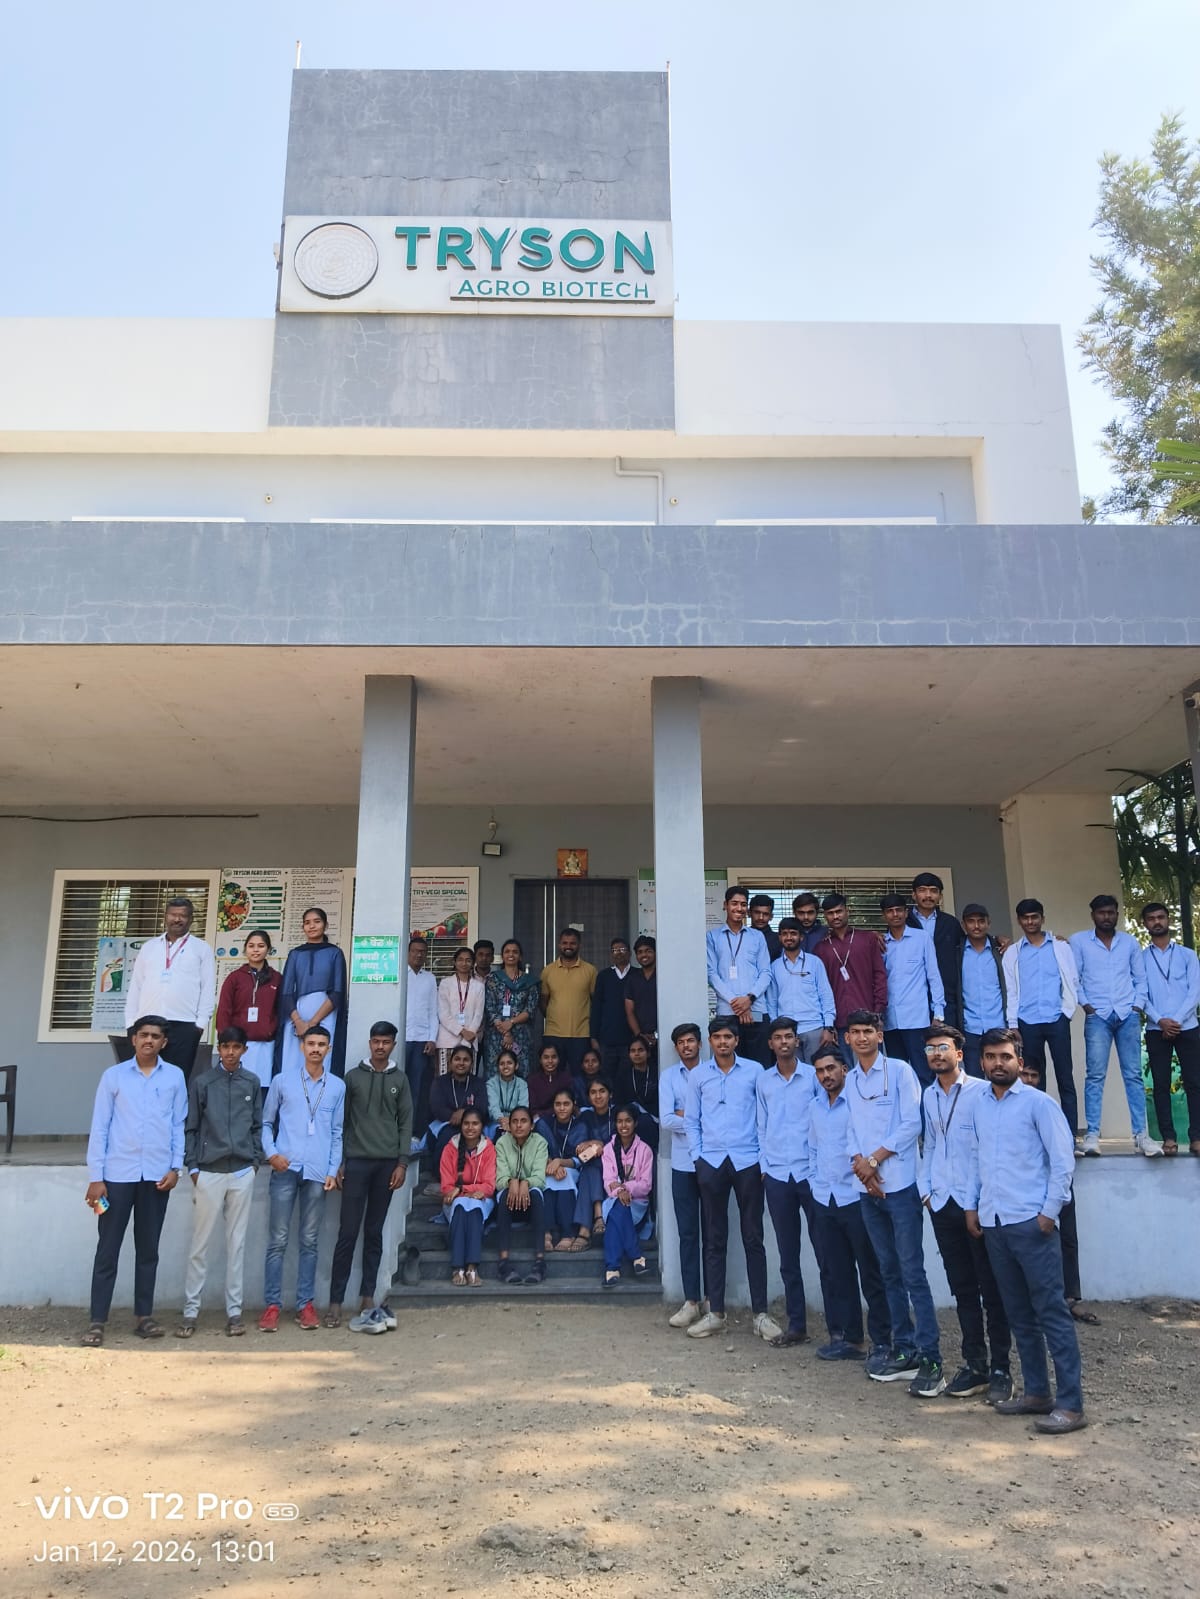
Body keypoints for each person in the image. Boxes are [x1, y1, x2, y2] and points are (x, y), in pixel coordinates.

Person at [964, 1027, 1086, 1434]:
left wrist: (1048, 1214)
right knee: (1018, 1313)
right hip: (995, 1224)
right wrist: (972, 1206)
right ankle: (1037, 1392)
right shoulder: (979, 1105)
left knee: (1051, 1312)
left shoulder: (1039, 1104)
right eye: (991, 1057)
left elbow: (1062, 1162)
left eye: (1005, 1056)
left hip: (1032, 1225)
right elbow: (977, 1158)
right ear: (981, 1062)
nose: (998, 1063)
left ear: (1019, 1060)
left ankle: (1071, 1405)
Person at [842, 1009, 945, 1397]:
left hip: (900, 1185)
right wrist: (861, 1165)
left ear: (880, 1035)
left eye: (868, 1031)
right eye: (855, 1032)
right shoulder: (851, 1080)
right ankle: (904, 1350)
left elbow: (911, 1124)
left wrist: (873, 1161)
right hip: (867, 1190)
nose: (862, 1037)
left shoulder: (900, 1072)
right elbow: (850, 1127)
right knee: (888, 1271)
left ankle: (931, 1358)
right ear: (847, 1038)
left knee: (911, 1272)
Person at [918, 1023, 1012, 1403]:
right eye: (930, 1049)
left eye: (942, 1047)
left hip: (975, 1206)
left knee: (992, 1290)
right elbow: (929, 1144)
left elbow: (982, 1151)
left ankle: (1001, 1368)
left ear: (959, 1054)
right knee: (963, 1289)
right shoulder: (928, 1096)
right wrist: (926, 1190)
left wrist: (973, 1203)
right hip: (941, 1203)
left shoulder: (980, 1092)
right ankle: (975, 1365)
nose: (936, 1054)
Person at [81, 1015, 187, 1347]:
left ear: (163, 1042)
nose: (149, 1040)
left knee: (148, 1249)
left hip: (156, 1178)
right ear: (134, 1039)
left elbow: (178, 1125)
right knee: (107, 1249)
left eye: (155, 1036)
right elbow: (100, 1126)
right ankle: (97, 1321)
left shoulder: (175, 1077)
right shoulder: (113, 1077)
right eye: (143, 1035)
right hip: (115, 1178)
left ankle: (144, 1317)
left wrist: (176, 1168)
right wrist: (96, 1177)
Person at [683, 1016, 779, 1342]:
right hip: (711, 1162)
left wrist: (762, 1158)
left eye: (728, 1037)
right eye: (717, 1037)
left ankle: (760, 1315)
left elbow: (763, 1117)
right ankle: (716, 1314)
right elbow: (691, 1120)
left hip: (748, 1161)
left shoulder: (754, 1072)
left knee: (753, 1237)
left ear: (737, 1040)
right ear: (710, 1042)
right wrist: (698, 1158)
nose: (723, 1042)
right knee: (714, 1239)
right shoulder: (698, 1076)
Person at [807, 1042, 892, 1365]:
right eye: (820, 1071)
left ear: (844, 1069)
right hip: (825, 1198)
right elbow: (813, 1148)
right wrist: (815, 1183)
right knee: (837, 1271)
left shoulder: (857, 1103)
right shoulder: (815, 1107)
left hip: (856, 1196)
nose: (825, 1075)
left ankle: (883, 1341)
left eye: (830, 1068)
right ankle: (851, 1339)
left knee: (871, 1271)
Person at [177, 1024, 263, 1339]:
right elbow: (191, 1127)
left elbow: (257, 1125)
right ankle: (190, 1311)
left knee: (236, 1245)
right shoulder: (203, 1083)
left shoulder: (251, 1082)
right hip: (209, 1171)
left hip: (241, 1171)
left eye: (236, 1047)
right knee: (199, 1246)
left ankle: (234, 1313)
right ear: (219, 1049)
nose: (230, 1052)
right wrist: (194, 1167)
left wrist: (254, 1162)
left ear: (244, 1050)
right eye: (225, 1046)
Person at [327, 1022, 413, 1334]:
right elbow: (341, 1122)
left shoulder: (400, 1079)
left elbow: (406, 1123)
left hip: (386, 1165)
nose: (380, 1047)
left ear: (393, 1045)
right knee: (347, 1232)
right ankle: (335, 1301)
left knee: (374, 1232)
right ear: (369, 1042)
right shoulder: (352, 1077)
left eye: (386, 1042)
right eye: (376, 1041)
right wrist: (339, 1162)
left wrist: (402, 1163)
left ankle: (367, 1296)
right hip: (356, 1163)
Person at [260, 1025, 345, 1331]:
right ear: (302, 1046)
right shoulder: (282, 1081)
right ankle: (272, 1305)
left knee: (309, 1242)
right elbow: (266, 1122)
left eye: (322, 1044)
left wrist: (333, 1170)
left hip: (317, 1173)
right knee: (278, 1241)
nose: (316, 1049)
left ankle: (305, 1305)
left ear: (329, 1049)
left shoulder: (337, 1087)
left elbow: (337, 1131)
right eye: (311, 1043)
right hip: (286, 1168)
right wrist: (271, 1154)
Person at [1070, 894, 1161, 1157]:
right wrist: (1086, 1005)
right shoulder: (1079, 941)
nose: (1106, 917)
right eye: (1101, 913)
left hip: (1127, 1014)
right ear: (1093, 915)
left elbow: (1140, 979)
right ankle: (1092, 1135)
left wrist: (1136, 1006)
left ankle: (1141, 1135)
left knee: (1133, 1075)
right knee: (1095, 1076)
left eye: (1110, 912)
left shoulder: (1129, 942)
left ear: (1117, 915)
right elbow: (1074, 977)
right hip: (1097, 1015)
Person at [1017, 1056, 1099, 1325]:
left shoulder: (1046, 1106)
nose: (1029, 1080)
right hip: (1025, 1188)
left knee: (1068, 1238)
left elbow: (1062, 1156)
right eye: (1026, 1075)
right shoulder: (1006, 1108)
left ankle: (1071, 1298)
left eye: (1034, 1076)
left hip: (1056, 1182)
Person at [756, 1017, 819, 1348]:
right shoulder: (764, 1082)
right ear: (771, 1044)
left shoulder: (813, 1077)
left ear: (797, 1041)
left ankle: (841, 1328)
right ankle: (797, 1326)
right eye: (778, 1037)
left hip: (810, 1174)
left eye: (789, 1037)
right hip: (778, 1175)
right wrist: (765, 1168)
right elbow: (760, 1125)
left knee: (826, 1250)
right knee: (788, 1255)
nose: (784, 1042)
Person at [1002, 899, 1081, 1142]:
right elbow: (1011, 990)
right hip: (1027, 1022)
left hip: (1056, 1018)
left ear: (1042, 918)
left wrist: (1067, 1012)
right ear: (1019, 921)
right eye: (1025, 918)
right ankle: (1038, 1135)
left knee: (1065, 1076)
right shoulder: (1013, 953)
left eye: (1034, 917)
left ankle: (1069, 1135)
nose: (1030, 922)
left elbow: (1072, 980)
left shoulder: (1060, 947)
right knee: (1032, 1078)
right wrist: (1013, 1023)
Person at [124, 897, 215, 1082]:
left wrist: (199, 1025)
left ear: (191, 919)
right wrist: (130, 1022)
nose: (177, 919)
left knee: (176, 1079)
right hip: (147, 1023)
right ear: (165, 916)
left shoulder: (201, 949)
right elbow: (136, 986)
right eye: (173, 914)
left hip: (184, 1025)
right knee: (142, 1078)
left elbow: (208, 988)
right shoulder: (149, 947)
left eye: (183, 915)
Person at [1141, 902, 1200, 1155]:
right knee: (1161, 1084)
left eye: (1161, 917)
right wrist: (1160, 1020)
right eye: (1151, 918)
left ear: (1168, 920)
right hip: (1156, 1029)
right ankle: (1168, 1138)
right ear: (1145, 923)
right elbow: (1140, 993)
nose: (1157, 922)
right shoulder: (1141, 958)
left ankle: (1197, 1137)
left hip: (1188, 1026)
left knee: (1195, 1082)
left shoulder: (1187, 955)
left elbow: (1195, 991)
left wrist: (1175, 1020)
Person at [660, 1021, 708, 1329]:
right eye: (681, 1042)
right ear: (676, 1047)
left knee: (714, 1234)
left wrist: (685, 1115)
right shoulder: (668, 1077)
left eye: (691, 1041)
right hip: (682, 1164)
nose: (686, 1046)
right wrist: (697, 1118)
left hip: (712, 1163)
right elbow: (666, 1120)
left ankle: (713, 1300)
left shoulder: (712, 1072)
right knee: (688, 1234)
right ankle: (691, 1300)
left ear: (700, 1044)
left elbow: (717, 1118)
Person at [880, 892, 945, 1087]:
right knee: (898, 1075)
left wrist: (938, 1013)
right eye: (890, 911)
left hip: (917, 1019)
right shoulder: (881, 944)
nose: (895, 914)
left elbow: (934, 976)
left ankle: (928, 1107)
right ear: (884, 915)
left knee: (924, 1072)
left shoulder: (921, 938)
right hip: (891, 1020)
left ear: (906, 912)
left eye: (899, 910)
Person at [275, 908, 348, 1079]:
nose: (312, 926)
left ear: (326, 925)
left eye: (317, 921)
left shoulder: (335, 953)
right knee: (292, 1062)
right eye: (307, 923)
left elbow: (337, 992)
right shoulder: (295, 954)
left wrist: (313, 1023)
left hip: (326, 1014)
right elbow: (286, 992)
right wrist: (299, 1022)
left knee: (323, 1059)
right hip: (297, 1015)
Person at [813, 893, 887, 1062]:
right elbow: (819, 988)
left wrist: (878, 1011)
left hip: (868, 1016)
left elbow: (879, 975)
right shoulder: (821, 948)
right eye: (830, 913)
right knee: (846, 1069)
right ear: (825, 916)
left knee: (874, 1065)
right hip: (839, 1020)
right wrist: (828, 1023)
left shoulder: (867, 939)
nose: (835, 916)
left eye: (839, 911)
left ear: (848, 911)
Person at [705, 887, 773, 1066]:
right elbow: (711, 974)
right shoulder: (712, 937)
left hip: (756, 1011)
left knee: (760, 1065)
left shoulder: (757, 936)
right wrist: (737, 1004)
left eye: (743, 904)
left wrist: (749, 999)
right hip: (727, 1013)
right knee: (729, 1065)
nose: (739, 908)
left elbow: (766, 972)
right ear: (725, 905)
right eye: (734, 903)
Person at [215, 928, 282, 1082]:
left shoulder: (277, 978)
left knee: (262, 1086)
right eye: (251, 946)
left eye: (261, 946)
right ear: (245, 949)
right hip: (238, 1045)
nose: (256, 950)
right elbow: (224, 1010)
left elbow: (280, 1010)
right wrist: (226, 1042)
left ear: (269, 950)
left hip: (266, 1045)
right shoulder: (234, 978)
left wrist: (273, 1030)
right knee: (236, 1086)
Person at [766, 918, 837, 1063]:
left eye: (793, 933)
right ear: (779, 937)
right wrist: (776, 1029)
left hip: (814, 1028)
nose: (789, 937)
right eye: (785, 934)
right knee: (792, 1073)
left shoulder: (814, 962)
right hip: (787, 1032)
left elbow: (826, 995)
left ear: (801, 937)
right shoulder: (774, 967)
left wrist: (828, 1027)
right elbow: (772, 1001)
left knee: (818, 1071)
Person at [439, 1108, 496, 1286]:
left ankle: (472, 1267)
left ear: (482, 1126)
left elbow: (489, 1186)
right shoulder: (450, 1148)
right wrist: (465, 1193)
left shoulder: (489, 1149)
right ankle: (458, 1267)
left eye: (475, 1124)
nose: (470, 1128)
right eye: (466, 1123)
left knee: (474, 1208)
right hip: (455, 1201)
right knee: (462, 1207)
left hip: (481, 1199)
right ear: (461, 1125)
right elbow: (447, 1187)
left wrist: (462, 1189)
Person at [493, 1105, 548, 1284]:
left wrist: (525, 1182)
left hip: (530, 1203)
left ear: (532, 1125)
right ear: (509, 1125)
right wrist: (511, 1182)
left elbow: (540, 1178)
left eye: (523, 1121)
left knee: (537, 1195)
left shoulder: (540, 1142)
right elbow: (500, 1179)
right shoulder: (502, 1143)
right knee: (504, 1195)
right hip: (509, 1203)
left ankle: (540, 1262)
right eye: (514, 1121)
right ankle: (503, 1262)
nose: (518, 1125)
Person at [601, 1106, 654, 1287]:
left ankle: (612, 1268)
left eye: (628, 1121)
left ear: (635, 1123)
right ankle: (636, 1256)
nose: (623, 1125)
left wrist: (625, 1188)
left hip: (637, 1205)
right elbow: (608, 1182)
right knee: (618, 1206)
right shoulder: (608, 1149)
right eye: (619, 1121)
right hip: (614, 1201)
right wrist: (619, 1192)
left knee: (615, 1219)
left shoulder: (645, 1150)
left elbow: (646, 1186)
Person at [907, 872, 965, 1030]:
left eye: (933, 891)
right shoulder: (903, 922)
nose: (928, 895)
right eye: (922, 890)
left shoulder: (950, 923)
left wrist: (995, 939)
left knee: (946, 1041)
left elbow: (968, 946)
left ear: (940, 896)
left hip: (947, 996)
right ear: (913, 894)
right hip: (912, 997)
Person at [537, 1088, 591, 1251]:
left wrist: (560, 1162)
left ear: (573, 1104)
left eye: (566, 1104)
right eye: (558, 1104)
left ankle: (568, 1234)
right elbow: (536, 1149)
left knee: (564, 1177)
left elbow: (584, 1158)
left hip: (572, 1167)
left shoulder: (581, 1126)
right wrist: (551, 1163)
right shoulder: (544, 1124)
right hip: (548, 1167)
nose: (562, 1108)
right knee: (548, 1180)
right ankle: (546, 1233)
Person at [539, 927, 598, 1076]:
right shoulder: (548, 971)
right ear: (559, 945)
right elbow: (543, 1001)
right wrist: (554, 1017)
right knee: (553, 1075)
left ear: (579, 945)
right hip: (554, 1033)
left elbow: (595, 1002)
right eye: (565, 943)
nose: (568, 946)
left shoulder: (590, 971)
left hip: (581, 1035)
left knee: (580, 1076)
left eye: (572, 943)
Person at [959, 904, 1007, 1079]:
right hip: (970, 1027)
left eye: (981, 921)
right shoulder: (957, 952)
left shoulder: (1001, 950)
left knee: (1002, 1078)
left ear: (989, 923)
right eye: (971, 921)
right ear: (963, 925)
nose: (976, 926)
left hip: (999, 1024)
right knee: (975, 1082)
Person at [482, 939, 539, 1078]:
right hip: (496, 1035)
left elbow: (530, 1009)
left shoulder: (530, 981)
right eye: (507, 951)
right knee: (494, 1073)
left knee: (522, 1071)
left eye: (515, 952)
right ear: (502, 956)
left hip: (521, 1035)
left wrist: (511, 1022)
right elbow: (489, 1007)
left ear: (520, 956)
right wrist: (505, 1032)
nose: (511, 954)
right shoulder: (492, 979)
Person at [428, 1044, 488, 1171]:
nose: (461, 1063)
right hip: (447, 1123)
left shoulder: (478, 1083)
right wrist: (454, 1117)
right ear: (450, 1062)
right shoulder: (440, 1082)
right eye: (457, 1059)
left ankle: (475, 1176)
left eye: (466, 1060)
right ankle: (440, 1176)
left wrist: (464, 1114)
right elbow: (437, 1108)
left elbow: (482, 1108)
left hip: (471, 1123)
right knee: (448, 1136)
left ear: (471, 1064)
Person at [404, 936, 439, 1141]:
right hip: (401, 1040)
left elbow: (433, 1011)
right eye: (415, 951)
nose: (419, 955)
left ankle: (414, 1132)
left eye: (422, 952)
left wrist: (432, 1039)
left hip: (421, 1041)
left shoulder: (430, 979)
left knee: (417, 1088)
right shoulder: (400, 974)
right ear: (408, 952)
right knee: (398, 1085)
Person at [576, 1076, 617, 1239]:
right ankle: (598, 1217)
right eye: (593, 1092)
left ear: (610, 1094)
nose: (598, 1096)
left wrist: (601, 1145)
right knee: (589, 1168)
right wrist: (590, 1144)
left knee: (590, 1169)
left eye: (602, 1091)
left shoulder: (617, 1113)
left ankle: (584, 1229)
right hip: (592, 1163)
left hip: (616, 1163)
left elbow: (622, 1141)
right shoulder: (585, 1117)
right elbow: (581, 1149)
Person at [437, 945, 486, 1070]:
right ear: (454, 962)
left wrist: (469, 1035)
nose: (464, 963)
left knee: (469, 1078)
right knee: (446, 1078)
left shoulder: (479, 986)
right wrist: (462, 1032)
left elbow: (478, 1014)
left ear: (473, 963)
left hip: (470, 1040)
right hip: (448, 1040)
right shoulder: (445, 983)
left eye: (468, 960)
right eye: (460, 960)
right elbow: (443, 1014)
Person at [592, 936, 634, 1079]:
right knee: (607, 1078)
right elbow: (596, 1007)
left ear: (629, 953)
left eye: (622, 949)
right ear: (611, 954)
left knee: (628, 1077)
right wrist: (593, 1036)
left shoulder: (637, 974)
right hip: (607, 1039)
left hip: (631, 1039)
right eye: (615, 950)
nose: (619, 953)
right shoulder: (603, 976)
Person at [624, 936, 659, 1063]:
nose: (644, 955)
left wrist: (658, 1033)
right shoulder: (632, 979)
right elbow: (629, 1011)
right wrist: (639, 1035)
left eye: (648, 951)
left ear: (656, 952)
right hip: (639, 1038)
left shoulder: (663, 975)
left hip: (664, 1034)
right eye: (640, 952)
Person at [527, 1040, 575, 1121]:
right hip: (540, 1119)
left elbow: (569, 1104)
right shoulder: (532, 1080)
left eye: (554, 1057)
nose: (550, 1061)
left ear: (559, 1059)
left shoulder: (566, 1078)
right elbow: (533, 1109)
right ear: (540, 1060)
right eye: (546, 1057)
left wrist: (549, 1112)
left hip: (563, 1116)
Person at [487, 1047, 529, 1136]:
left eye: (509, 1063)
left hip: (517, 1120)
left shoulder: (522, 1084)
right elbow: (493, 1107)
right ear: (498, 1067)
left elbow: (523, 1106)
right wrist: (502, 1120)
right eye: (502, 1064)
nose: (505, 1066)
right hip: (496, 1121)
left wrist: (512, 1120)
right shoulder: (491, 1084)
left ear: (516, 1066)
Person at [748, 894, 783, 963]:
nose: (761, 918)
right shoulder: (741, 937)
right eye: (757, 913)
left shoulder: (779, 940)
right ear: (749, 913)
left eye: (765, 914)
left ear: (771, 916)